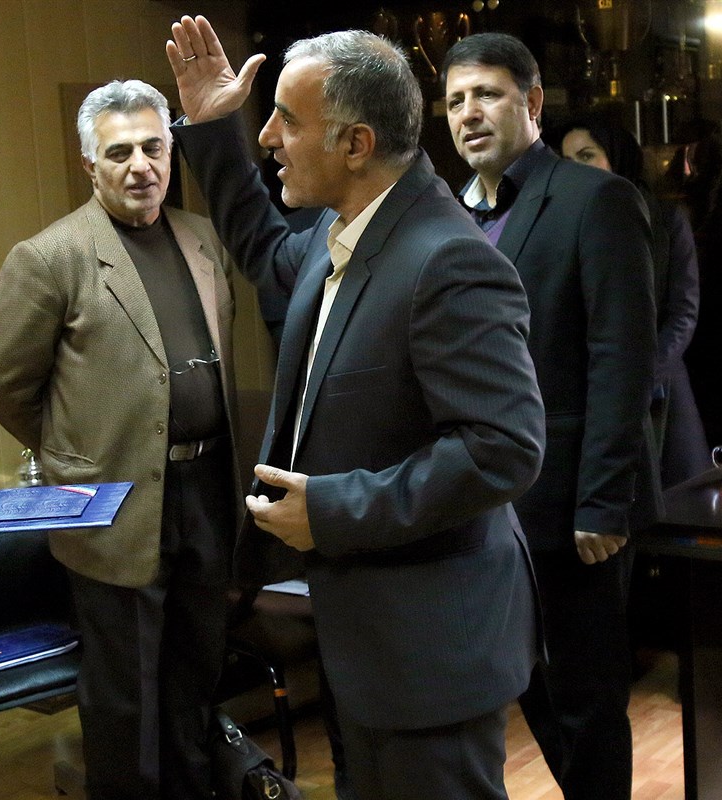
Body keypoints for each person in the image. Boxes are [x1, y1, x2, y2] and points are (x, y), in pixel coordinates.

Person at [166, 16, 546, 800]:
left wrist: (333, 510)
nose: (267, 136)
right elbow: (263, 249)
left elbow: (503, 449)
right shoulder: (341, 230)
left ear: (356, 144)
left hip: (430, 647)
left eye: (286, 120)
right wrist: (212, 131)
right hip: (366, 640)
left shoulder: (448, 258)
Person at [0, 79, 242, 800]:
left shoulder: (202, 238)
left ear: (171, 152)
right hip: (110, 503)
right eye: (119, 152)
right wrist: (79, 454)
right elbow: (6, 386)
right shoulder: (50, 257)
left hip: (208, 490)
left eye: (153, 147)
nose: (140, 166)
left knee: (195, 681)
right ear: (89, 164)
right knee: (127, 699)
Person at [441, 34, 659, 800]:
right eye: (455, 100)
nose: (469, 113)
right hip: (482, 505)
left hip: (572, 505)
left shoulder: (594, 199)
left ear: (531, 102)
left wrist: (603, 502)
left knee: (586, 701)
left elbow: (622, 360)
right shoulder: (448, 214)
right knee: (522, 683)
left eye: (487, 94)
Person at [559, 116, 711, 486]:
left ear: (617, 157)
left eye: (586, 155)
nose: (574, 169)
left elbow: (683, 312)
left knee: (675, 498)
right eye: (566, 161)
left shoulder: (666, 221)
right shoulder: (563, 227)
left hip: (659, 387)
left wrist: (641, 376)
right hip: (589, 394)